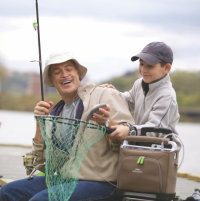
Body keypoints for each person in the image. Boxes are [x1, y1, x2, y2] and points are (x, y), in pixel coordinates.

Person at [0, 52, 134, 201]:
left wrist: (107, 123)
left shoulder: (106, 95)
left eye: (68, 69)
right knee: (6, 191)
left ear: (77, 72)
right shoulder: (55, 114)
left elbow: (130, 139)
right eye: (57, 72)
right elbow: (43, 166)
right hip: (64, 180)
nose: (64, 75)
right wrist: (40, 124)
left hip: (102, 183)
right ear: (51, 79)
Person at [100, 42, 180, 142]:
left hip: (160, 151)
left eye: (150, 66)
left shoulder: (167, 96)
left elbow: (155, 129)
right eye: (141, 64)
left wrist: (130, 130)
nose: (143, 70)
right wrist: (114, 94)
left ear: (166, 68)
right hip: (140, 145)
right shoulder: (139, 83)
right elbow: (129, 101)